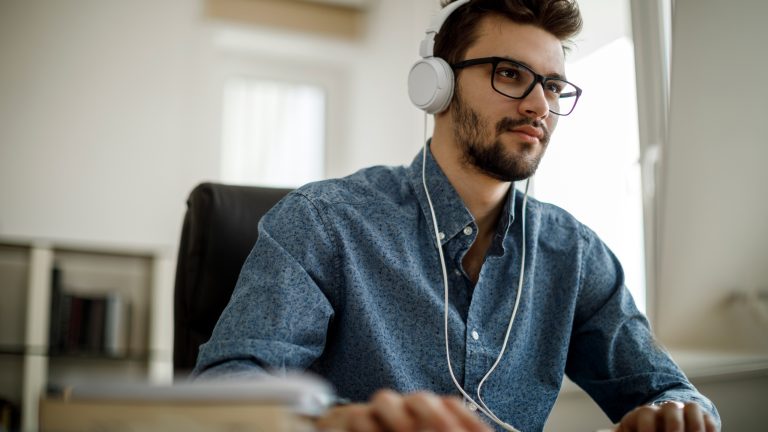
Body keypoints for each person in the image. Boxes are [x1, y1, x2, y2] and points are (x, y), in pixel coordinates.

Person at [193, 0, 720, 430]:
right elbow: (225, 392)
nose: (540, 105)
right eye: (511, 74)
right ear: (436, 85)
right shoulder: (324, 222)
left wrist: (670, 414)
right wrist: (342, 423)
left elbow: (672, 391)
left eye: (554, 86)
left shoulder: (574, 254)